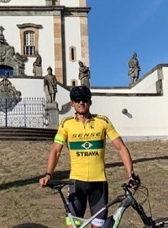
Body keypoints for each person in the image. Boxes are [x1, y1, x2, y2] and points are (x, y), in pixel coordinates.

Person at [39, 86, 137, 228]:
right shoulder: (66, 124)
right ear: (72, 103)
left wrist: (130, 174)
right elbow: (56, 150)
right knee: (72, 226)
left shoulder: (102, 122)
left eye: (84, 99)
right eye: (77, 100)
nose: (81, 102)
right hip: (76, 183)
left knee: (98, 227)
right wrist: (48, 174)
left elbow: (121, 148)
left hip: (99, 184)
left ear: (90, 102)